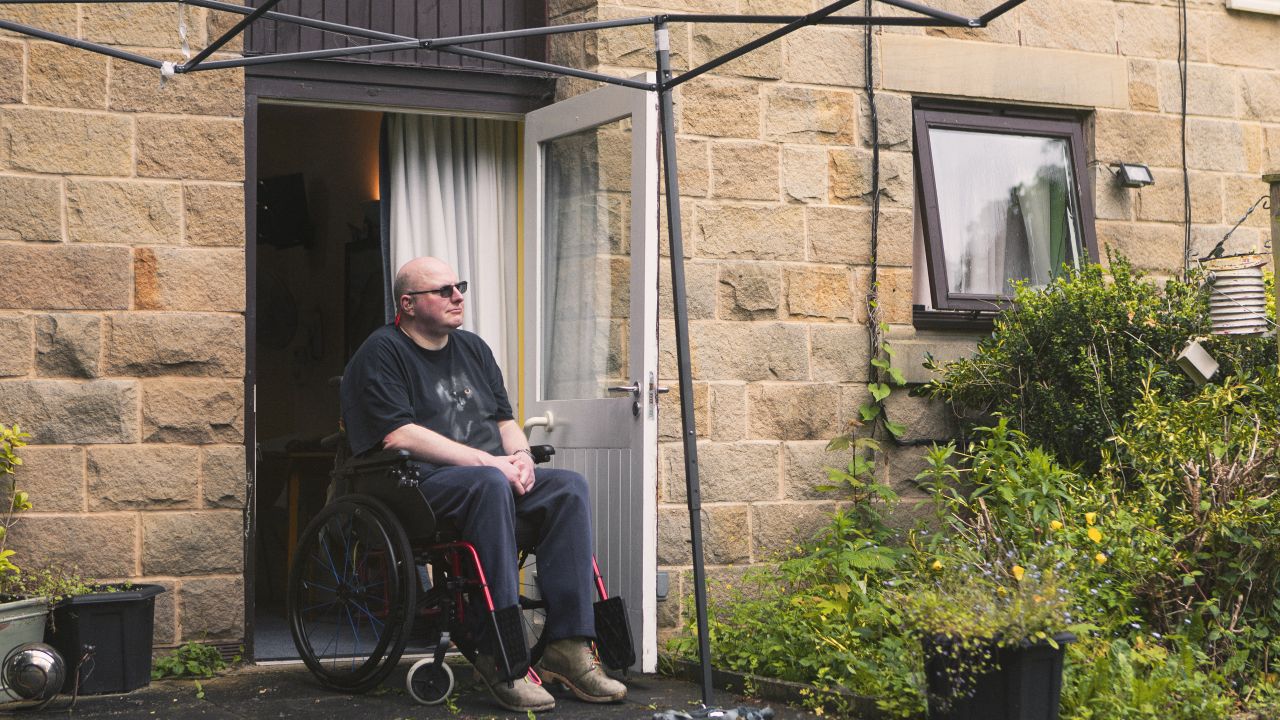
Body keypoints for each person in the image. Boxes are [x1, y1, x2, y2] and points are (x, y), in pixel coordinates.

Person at [340, 256, 626, 713]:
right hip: (418, 486)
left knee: (568, 487)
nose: (459, 296)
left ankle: (568, 646)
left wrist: (520, 456)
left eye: (461, 286)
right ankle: (499, 654)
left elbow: (503, 420)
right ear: (408, 304)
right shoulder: (382, 352)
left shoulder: (472, 348)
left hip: (487, 477)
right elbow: (398, 433)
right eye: (444, 290)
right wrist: (490, 463)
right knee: (490, 485)